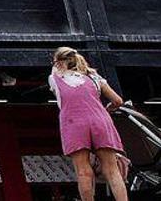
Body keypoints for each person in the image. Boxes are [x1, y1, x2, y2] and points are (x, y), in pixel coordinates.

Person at [49, 47, 128, 201]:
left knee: (83, 171)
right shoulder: (94, 77)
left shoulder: (55, 78)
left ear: (58, 62)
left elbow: (56, 74)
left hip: (73, 122)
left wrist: (56, 64)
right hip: (100, 119)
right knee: (111, 169)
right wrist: (108, 109)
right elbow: (118, 101)